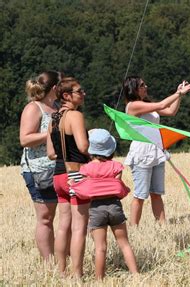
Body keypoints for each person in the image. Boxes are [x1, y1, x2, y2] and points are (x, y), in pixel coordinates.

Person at [123, 76, 190, 226]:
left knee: (156, 193)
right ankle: (134, 228)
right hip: (142, 153)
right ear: (134, 89)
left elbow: (170, 111)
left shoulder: (146, 104)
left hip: (156, 151)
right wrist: (179, 93)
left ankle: (162, 225)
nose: (146, 86)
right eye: (142, 85)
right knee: (140, 195)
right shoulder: (133, 106)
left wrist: (178, 95)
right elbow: (162, 104)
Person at [71, 129, 138, 280]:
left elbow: (82, 188)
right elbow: (119, 186)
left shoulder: (86, 169)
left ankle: (99, 279)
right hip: (115, 206)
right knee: (124, 243)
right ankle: (136, 274)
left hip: (96, 209)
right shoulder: (116, 166)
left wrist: (72, 184)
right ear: (110, 149)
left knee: (100, 247)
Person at [46, 77, 90, 277]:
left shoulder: (53, 119)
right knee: (79, 227)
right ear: (66, 96)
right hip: (76, 174)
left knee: (63, 225)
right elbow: (83, 146)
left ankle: (61, 271)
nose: (83, 94)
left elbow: (51, 153)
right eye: (79, 91)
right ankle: (77, 274)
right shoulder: (75, 116)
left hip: (58, 175)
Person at [19, 71, 62, 261]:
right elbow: (25, 139)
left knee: (64, 217)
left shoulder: (57, 107)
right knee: (46, 218)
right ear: (55, 88)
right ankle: (49, 263)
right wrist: (52, 133)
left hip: (59, 168)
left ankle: (62, 257)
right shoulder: (33, 108)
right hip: (39, 171)